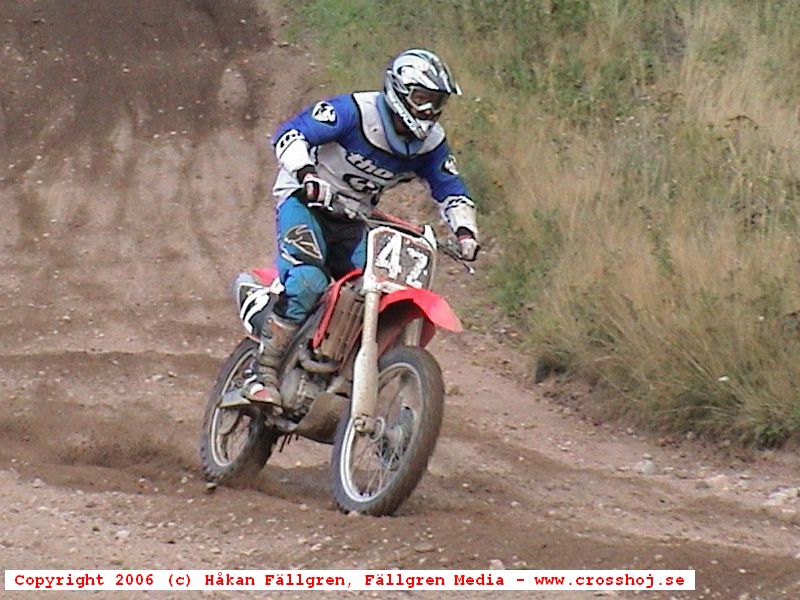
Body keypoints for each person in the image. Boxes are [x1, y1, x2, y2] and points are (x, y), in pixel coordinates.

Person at [237, 48, 480, 406]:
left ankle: (343, 370)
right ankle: (262, 373)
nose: (429, 110)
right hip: (306, 202)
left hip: (355, 217)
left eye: (437, 102)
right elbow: (290, 134)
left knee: (380, 286)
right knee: (308, 280)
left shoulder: (430, 143)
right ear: (398, 91)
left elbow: (451, 188)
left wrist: (465, 232)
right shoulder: (354, 112)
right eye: (421, 99)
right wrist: (307, 175)